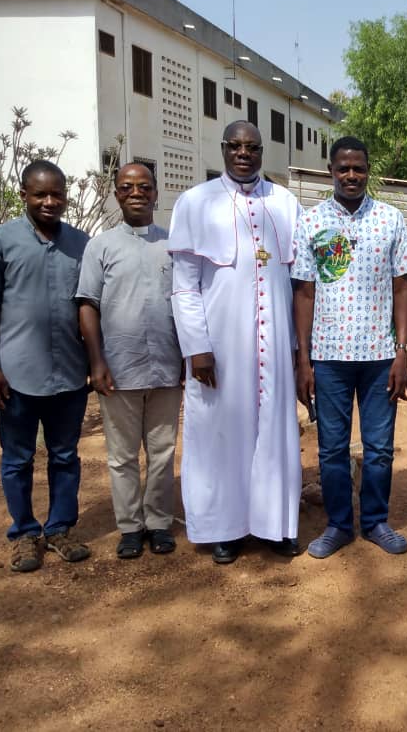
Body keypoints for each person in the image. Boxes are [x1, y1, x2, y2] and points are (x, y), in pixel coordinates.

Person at [168, 121, 303, 563]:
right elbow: (185, 285)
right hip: (221, 345)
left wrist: (299, 349)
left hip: (276, 344)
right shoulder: (196, 202)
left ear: (262, 151)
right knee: (221, 433)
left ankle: (274, 524)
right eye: (236, 146)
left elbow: (299, 280)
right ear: (224, 149)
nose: (244, 153)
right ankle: (223, 527)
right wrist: (196, 346)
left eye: (252, 147)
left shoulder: (284, 202)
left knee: (275, 430)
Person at [292, 136, 407, 559]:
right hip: (328, 358)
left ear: (367, 171)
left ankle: (376, 521)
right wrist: (303, 358)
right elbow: (305, 292)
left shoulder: (390, 219)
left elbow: (403, 286)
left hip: (381, 357)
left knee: (380, 447)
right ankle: (339, 525)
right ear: (331, 170)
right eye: (343, 168)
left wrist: (402, 349)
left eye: (358, 168)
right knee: (331, 448)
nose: (351, 175)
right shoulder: (310, 222)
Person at [0, 159, 91, 572]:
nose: (50, 201)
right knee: (17, 458)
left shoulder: (81, 243)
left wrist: (95, 362)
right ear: (24, 195)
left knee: (65, 456)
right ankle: (22, 533)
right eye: (40, 194)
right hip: (17, 374)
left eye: (57, 193)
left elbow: (89, 307)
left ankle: (59, 529)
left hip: (70, 374)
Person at [76, 163, 183, 559]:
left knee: (162, 450)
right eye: (127, 187)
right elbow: (87, 305)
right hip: (118, 369)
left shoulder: (173, 245)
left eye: (144, 187)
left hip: (167, 368)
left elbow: (187, 304)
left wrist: (188, 357)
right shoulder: (99, 247)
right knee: (122, 456)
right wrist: (96, 361)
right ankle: (129, 528)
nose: (136, 193)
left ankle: (158, 522)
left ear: (156, 193)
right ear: (116, 194)